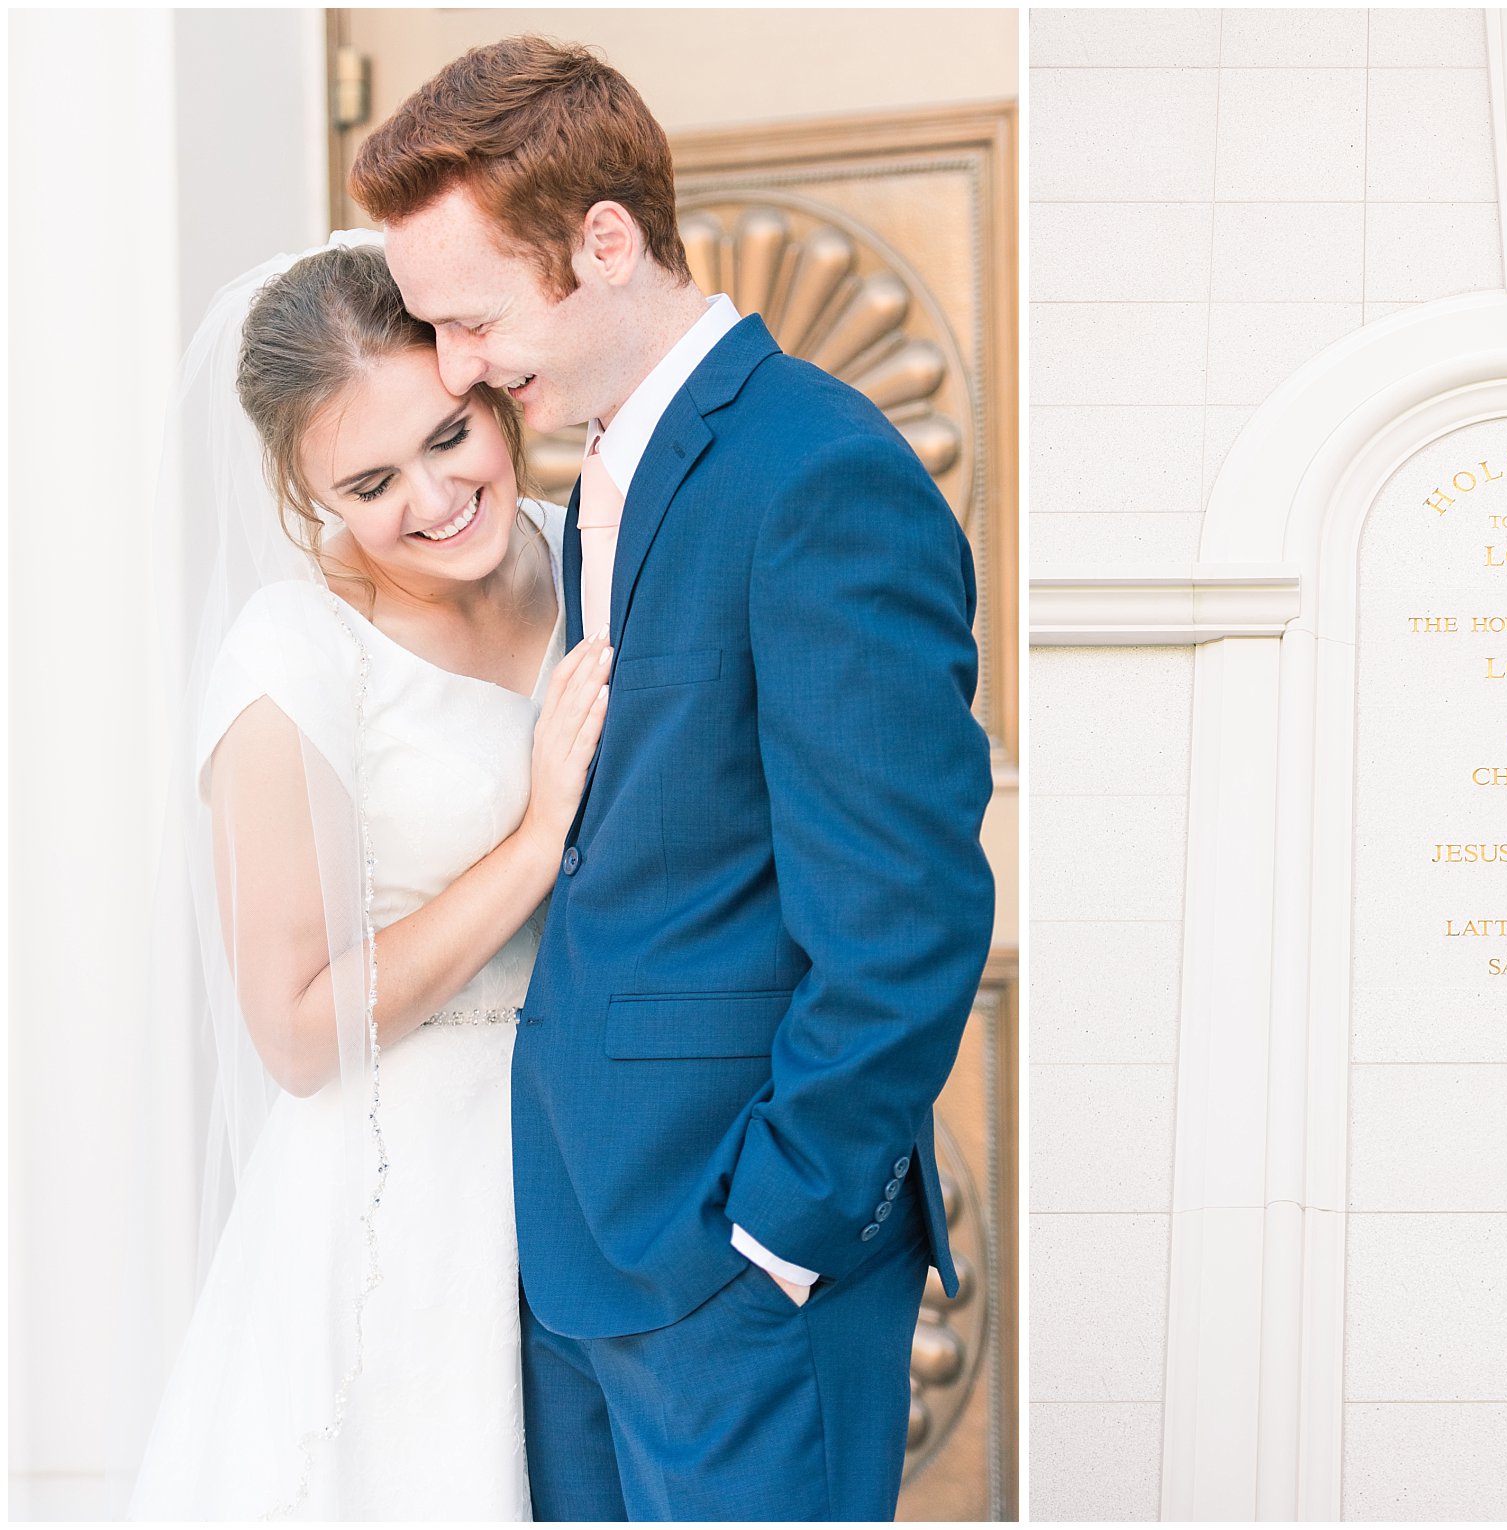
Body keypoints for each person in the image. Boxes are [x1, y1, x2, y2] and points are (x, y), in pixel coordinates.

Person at [353, 36, 996, 1522]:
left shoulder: (818, 471)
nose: (456, 368)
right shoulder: (595, 487)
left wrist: (776, 1230)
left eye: (473, 320)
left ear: (606, 240)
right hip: (584, 1250)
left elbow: (902, 913)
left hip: (738, 1270)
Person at [128, 233, 609, 1519]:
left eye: (452, 436)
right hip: (404, 1200)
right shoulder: (290, 660)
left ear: (489, 385)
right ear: (304, 495)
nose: (436, 498)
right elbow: (295, 1028)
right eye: (370, 481)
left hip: (600, 1152)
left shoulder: (594, 553)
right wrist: (531, 844)